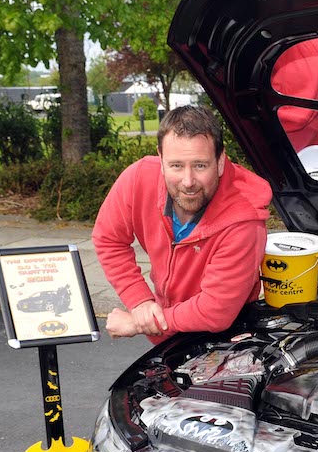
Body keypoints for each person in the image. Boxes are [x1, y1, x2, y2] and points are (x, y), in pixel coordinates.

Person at [92, 105, 272, 342]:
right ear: (161, 158)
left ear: (220, 161)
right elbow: (108, 239)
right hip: (166, 337)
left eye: (200, 165)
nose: (188, 181)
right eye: (176, 165)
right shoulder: (138, 178)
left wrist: (140, 322)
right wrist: (139, 300)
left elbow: (215, 311)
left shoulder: (245, 222)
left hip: (226, 340)